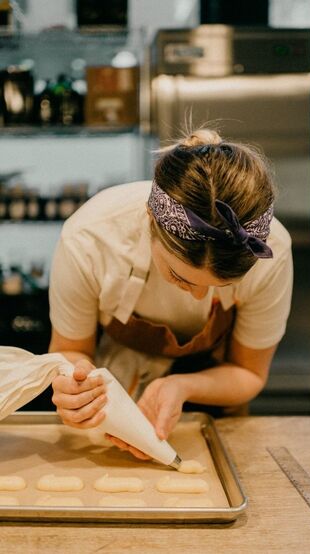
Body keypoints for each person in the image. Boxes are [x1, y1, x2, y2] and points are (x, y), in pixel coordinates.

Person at [49, 128, 293, 459]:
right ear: (151, 219)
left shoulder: (270, 252)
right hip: (113, 401)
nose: (197, 297)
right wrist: (76, 387)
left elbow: (249, 372)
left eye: (220, 288)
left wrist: (181, 386)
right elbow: (70, 351)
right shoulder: (90, 239)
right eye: (179, 276)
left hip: (215, 408)